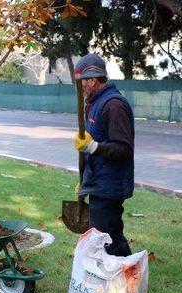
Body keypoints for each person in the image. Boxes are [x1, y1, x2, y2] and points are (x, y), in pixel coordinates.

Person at [72, 53, 134, 257]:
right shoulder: (94, 103)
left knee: (109, 242)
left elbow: (124, 149)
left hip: (109, 187)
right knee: (107, 239)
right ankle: (123, 280)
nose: (80, 87)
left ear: (92, 80)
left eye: (81, 82)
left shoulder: (113, 105)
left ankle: (126, 282)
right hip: (98, 184)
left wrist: (92, 147)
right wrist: (85, 180)